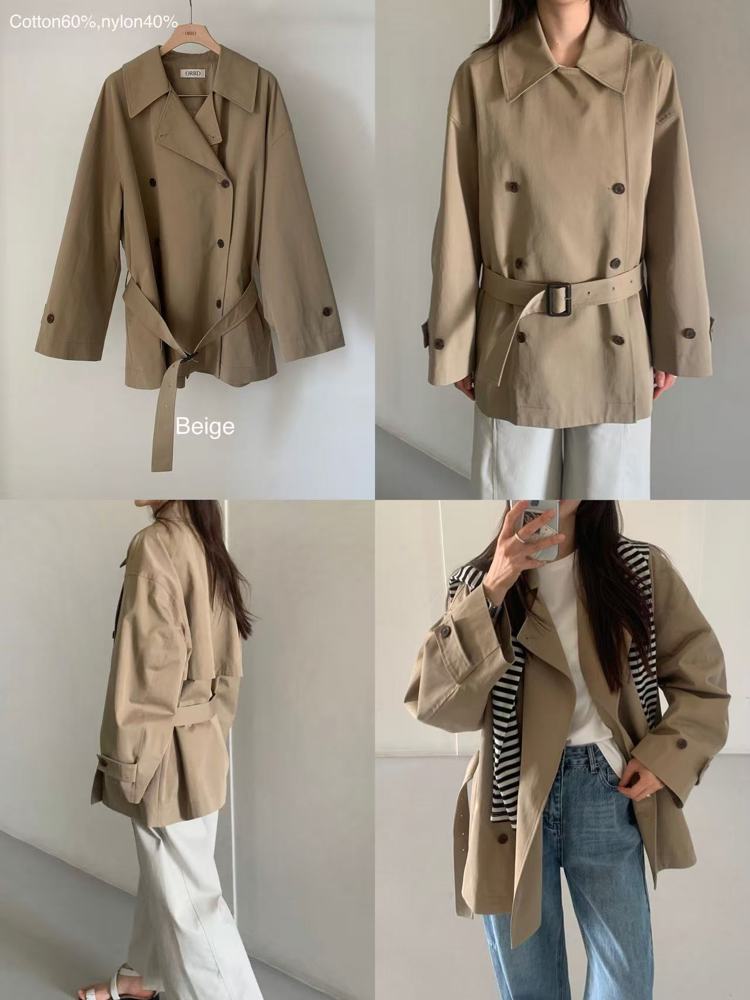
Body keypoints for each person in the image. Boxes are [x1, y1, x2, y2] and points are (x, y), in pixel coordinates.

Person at [406, 501, 729, 999]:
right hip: (510, 799)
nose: (554, 481)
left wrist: (665, 759)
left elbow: (702, 678)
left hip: (607, 788)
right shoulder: (476, 582)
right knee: (528, 986)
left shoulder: (638, 570)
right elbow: (436, 705)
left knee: (625, 983)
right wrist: (493, 590)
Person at [423, 0, 713, 498]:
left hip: (614, 334)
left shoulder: (648, 71)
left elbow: (672, 213)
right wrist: (455, 342)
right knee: (521, 518)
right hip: (513, 338)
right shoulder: (481, 77)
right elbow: (458, 222)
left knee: (602, 521)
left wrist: (675, 334)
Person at [79, 500, 263, 1000]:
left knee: (192, 906)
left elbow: (146, 675)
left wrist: (127, 763)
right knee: (170, 877)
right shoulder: (206, 540)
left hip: (163, 752)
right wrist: (210, 731)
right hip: (201, 745)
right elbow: (229, 669)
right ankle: (146, 977)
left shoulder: (156, 545)